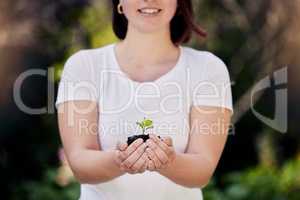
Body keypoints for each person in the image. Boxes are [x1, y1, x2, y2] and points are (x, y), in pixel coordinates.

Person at [55, 0, 234, 199]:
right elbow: (80, 164)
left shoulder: (208, 68)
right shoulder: (84, 66)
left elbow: (202, 170)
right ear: (120, 2)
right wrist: (120, 160)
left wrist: (169, 161)